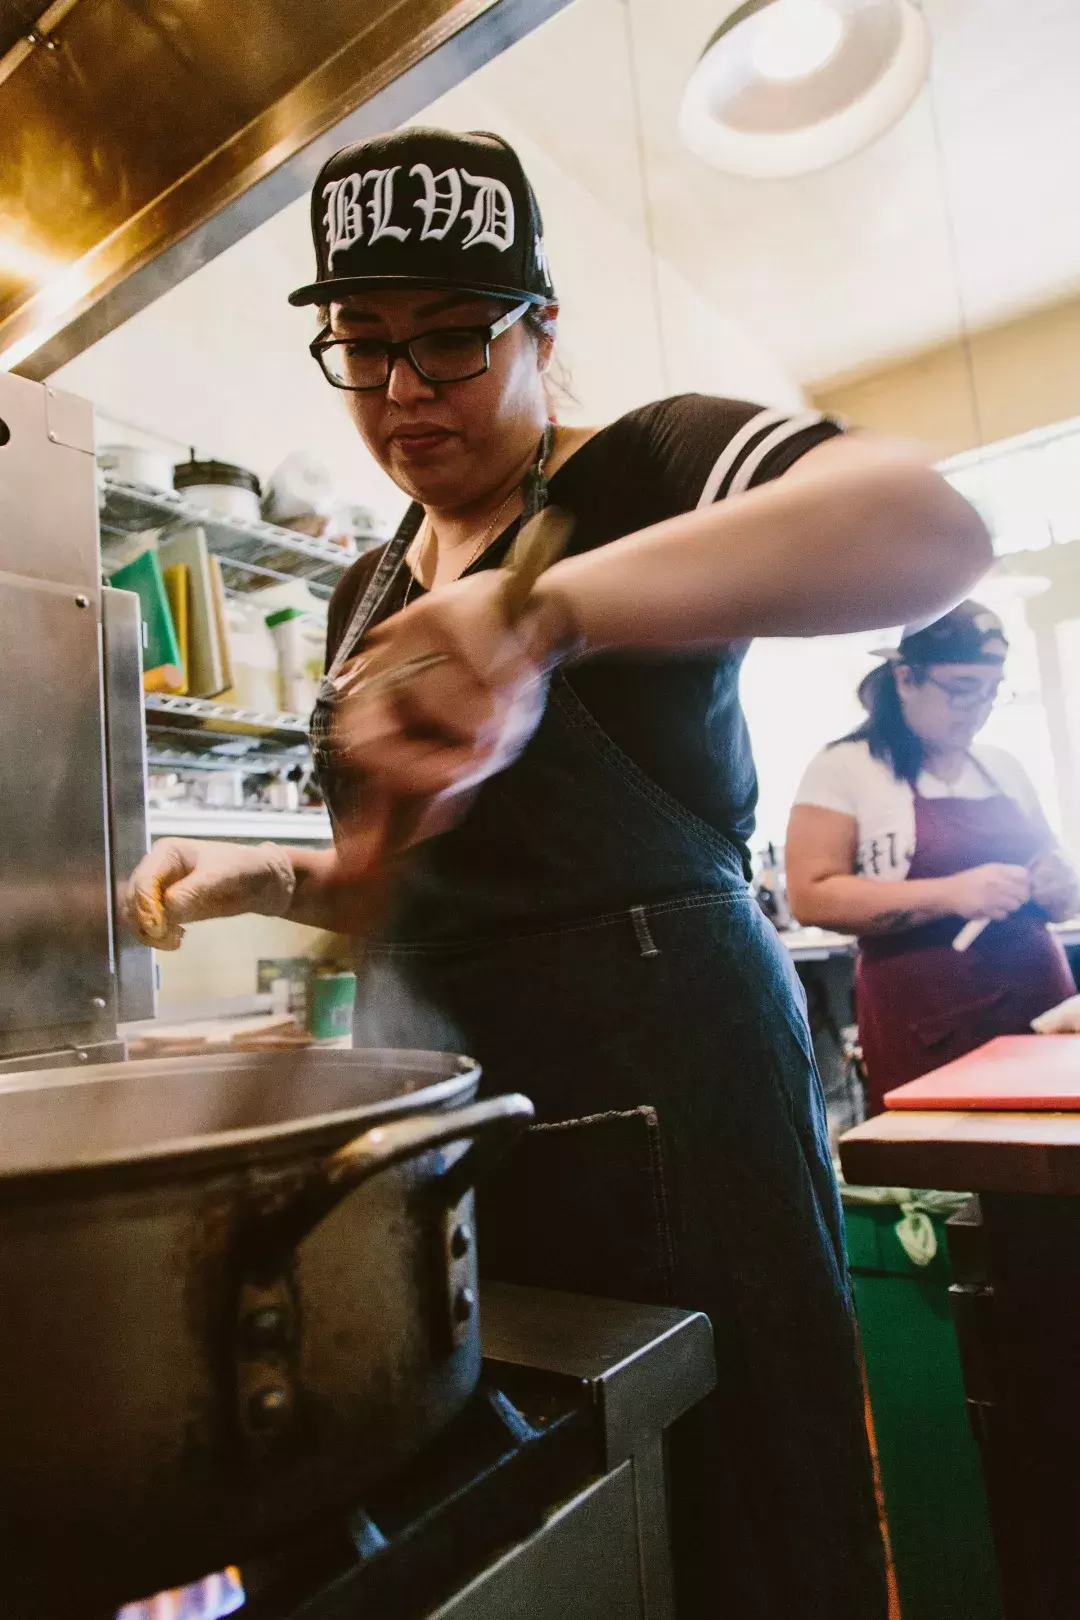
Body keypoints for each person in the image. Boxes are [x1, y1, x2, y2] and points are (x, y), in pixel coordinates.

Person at [126, 128, 990, 1620]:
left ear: (540, 327)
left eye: (453, 341)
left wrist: (544, 618)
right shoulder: (370, 585)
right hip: (459, 1139)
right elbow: (436, 880)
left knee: (746, 1519)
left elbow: (933, 530)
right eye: (366, 349)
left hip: (677, 1108)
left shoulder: (646, 469)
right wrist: (263, 876)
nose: (405, 394)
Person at [787, 601, 1079, 1113]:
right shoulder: (847, 766)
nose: (979, 708)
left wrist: (1061, 888)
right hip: (927, 1014)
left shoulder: (1002, 766)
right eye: (962, 689)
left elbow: (1057, 875)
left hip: (1040, 1000)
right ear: (906, 678)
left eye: (992, 691)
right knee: (946, 1178)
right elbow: (812, 895)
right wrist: (952, 894)